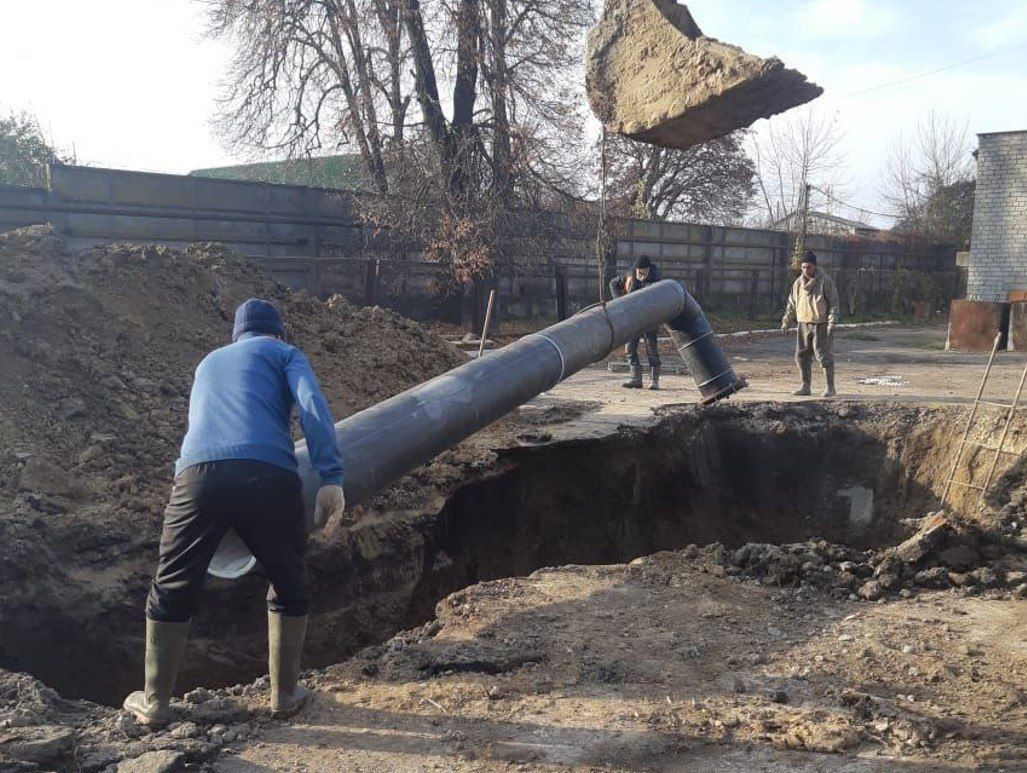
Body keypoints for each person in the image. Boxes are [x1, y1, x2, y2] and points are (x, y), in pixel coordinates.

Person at [123, 298, 346, 727]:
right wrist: (330, 476)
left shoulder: (208, 363)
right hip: (269, 473)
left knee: (171, 583)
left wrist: (186, 491)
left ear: (236, 337)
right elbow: (312, 406)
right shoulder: (284, 353)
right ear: (278, 332)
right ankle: (284, 696)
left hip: (196, 476)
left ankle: (155, 703)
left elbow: (198, 427)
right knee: (288, 579)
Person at [781, 250, 839, 397]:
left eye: (809, 267)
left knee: (823, 355)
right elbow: (791, 303)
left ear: (814, 266)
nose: (806, 270)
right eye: (804, 267)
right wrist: (786, 321)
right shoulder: (798, 284)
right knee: (801, 355)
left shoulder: (825, 281)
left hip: (820, 323)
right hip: (803, 323)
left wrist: (832, 322)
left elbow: (833, 303)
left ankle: (830, 387)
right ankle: (805, 386)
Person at [609, 255, 663, 390]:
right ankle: (636, 379)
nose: (641, 274)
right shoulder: (630, 277)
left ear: (649, 269)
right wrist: (619, 301)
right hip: (633, 319)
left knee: (651, 349)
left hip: (650, 318)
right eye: (638, 271)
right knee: (630, 349)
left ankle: (654, 381)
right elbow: (613, 283)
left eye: (643, 272)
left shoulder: (656, 280)